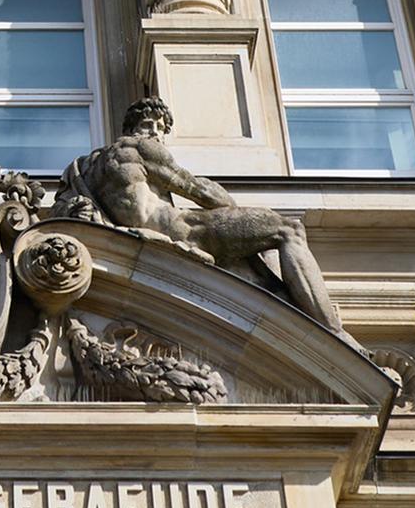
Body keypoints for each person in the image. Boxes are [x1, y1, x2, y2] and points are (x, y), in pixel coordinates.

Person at [58, 97, 346, 332]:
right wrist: (236, 214)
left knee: (269, 285)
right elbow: (201, 192)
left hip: (145, 237)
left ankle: (289, 306)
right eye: (152, 126)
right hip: (187, 231)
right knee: (288, 230)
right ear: (137, 128)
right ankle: (334, 334)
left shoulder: (85, 167)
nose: (157, 134)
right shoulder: (139, 148)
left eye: (160, 129)